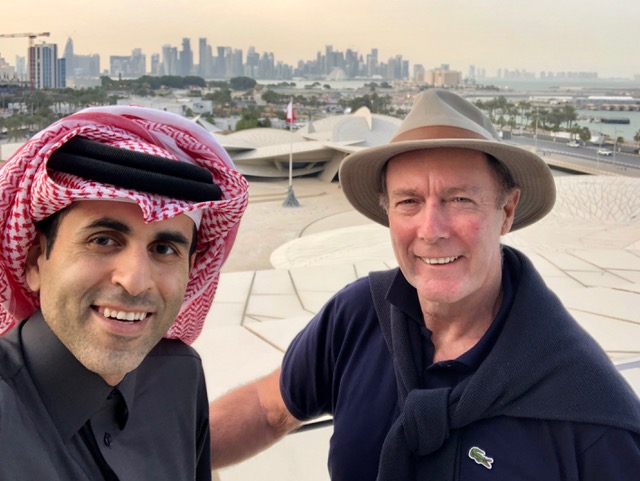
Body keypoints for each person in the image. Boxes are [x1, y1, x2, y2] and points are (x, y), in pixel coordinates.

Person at [209, 89, 640, 480]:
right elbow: (267, 409)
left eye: (460, 199)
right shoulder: (358, 315)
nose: (431, 230)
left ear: (506, 211)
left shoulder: (591, 409)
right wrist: (168, 451)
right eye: (409, 201)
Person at [0, 106, 248, 480]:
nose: (135, 281)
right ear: (36, 259)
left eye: (164, 249)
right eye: (103, 240)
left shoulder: (180, 376)